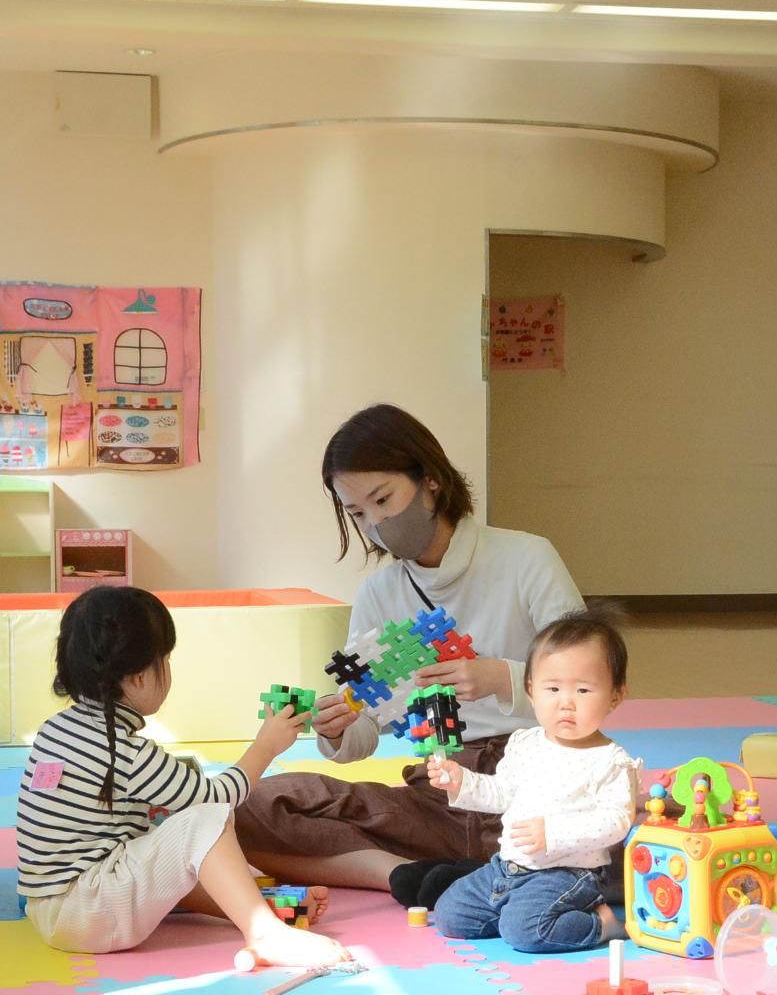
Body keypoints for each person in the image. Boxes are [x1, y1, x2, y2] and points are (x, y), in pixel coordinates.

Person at [231, 404, 586, 891]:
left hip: (531, 780)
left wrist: (500, 677)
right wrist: (337, 728)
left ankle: (503, 868)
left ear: (430, 480)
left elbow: (589, 683)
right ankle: (406, 876)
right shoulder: (379, 595)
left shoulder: (526, 557)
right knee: (249, 807)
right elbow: (367, 730)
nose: (376, 522)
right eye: (358, 513)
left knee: (616, 818)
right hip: (437, 795)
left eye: (383, 499)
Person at [16, 586, 351, 964]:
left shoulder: (55, 730)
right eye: (165, 658)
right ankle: (264, 931)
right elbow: (219, 798)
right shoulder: (125, 752)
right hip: (91, 913)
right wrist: (266, 746)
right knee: (204, 820)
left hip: (47, 908)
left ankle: (249, 904)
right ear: (139, 677)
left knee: (166, 825)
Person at [425, 610, 643, 953]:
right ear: (531, 691)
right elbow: (501, 793)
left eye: (584, 690)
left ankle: (602, 924)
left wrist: (552, 834)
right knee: (449, 915)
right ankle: (521, 910)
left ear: (615, 696)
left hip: (569, 873)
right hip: (506, 868)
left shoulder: (611, 761)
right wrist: (460, 782)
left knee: (525, 933)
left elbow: (615, 822)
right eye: (552, 688)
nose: (566, 703)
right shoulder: (525, 743)